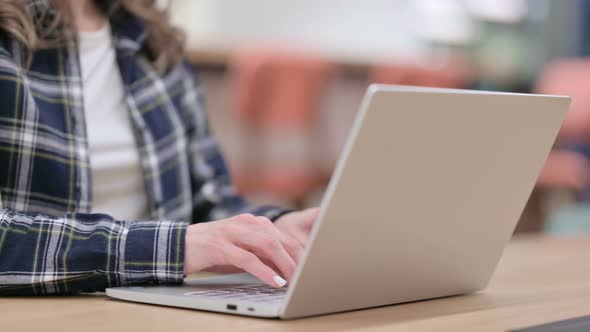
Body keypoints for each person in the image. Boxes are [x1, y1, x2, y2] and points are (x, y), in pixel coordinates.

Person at [0, 0, 318, 295]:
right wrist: (170, 248)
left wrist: (274, 230)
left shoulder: (149, 35)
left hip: (156, 309)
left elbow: (207, 204)